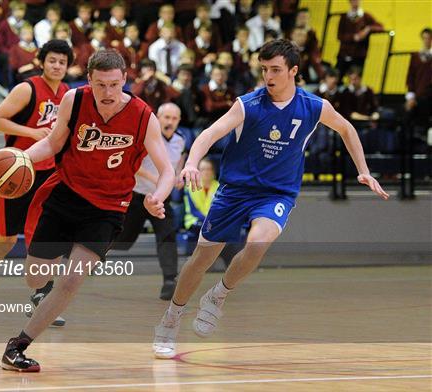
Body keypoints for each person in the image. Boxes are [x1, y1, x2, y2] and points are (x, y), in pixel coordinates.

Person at [152, 39, 389, 359]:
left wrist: (363, 170)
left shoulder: (313, 106)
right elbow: (209, 134)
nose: (268, 76)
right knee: (201, 259)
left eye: (275, 70)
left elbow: (347, 129)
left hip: (277, 193)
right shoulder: (247, 104)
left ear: (293, 71)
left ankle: (218, 296)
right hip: (235, 191)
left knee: (258, 243)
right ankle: (172, 317)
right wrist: (193, 161)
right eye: (264, 69)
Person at [0, 49, 175, 372]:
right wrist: (21, 158)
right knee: (35, 278)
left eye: (114, 85)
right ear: (89, 80)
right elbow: (52, 144)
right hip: (66, 195)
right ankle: (43, 291)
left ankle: (17, 346)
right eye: (100, 85)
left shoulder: (142, 115)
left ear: (125, 79)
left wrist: (157, 197)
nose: (107, 93)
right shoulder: (74, 101)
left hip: (108, 208)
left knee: (72, 280)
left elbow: (167, 171)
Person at [0, 40, 72, 327]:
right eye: (52, 60)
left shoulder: (67, 94)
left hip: (49, 174)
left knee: (46, 236)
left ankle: (42, 295)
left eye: (62, 61)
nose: (57, 66)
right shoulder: (27, 88)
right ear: (41, 61)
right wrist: (32, 133)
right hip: (16, 171)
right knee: (7, 239)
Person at [112, 103, 186, 300]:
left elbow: (176, 164)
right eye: (166, 117)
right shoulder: (147, 138)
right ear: (158, 118)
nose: (170, 122)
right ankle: (88, 256)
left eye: (174, 118)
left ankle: (170, 281)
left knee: (167, 236)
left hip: (161, 199)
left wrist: (177, 176)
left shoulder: (180, 140)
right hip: (137, 196)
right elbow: (132, 166)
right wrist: (159, 179)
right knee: (123, 240)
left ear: (179, 121)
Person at [336, 0, 383, 78]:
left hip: (358, 55)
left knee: (355, 79)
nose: (356, 2)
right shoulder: (344, 17)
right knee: (337, 77)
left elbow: (380, 27)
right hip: (344, 54)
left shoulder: (366, 16)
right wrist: (354, 37)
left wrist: (368, 28)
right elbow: (339, 35)